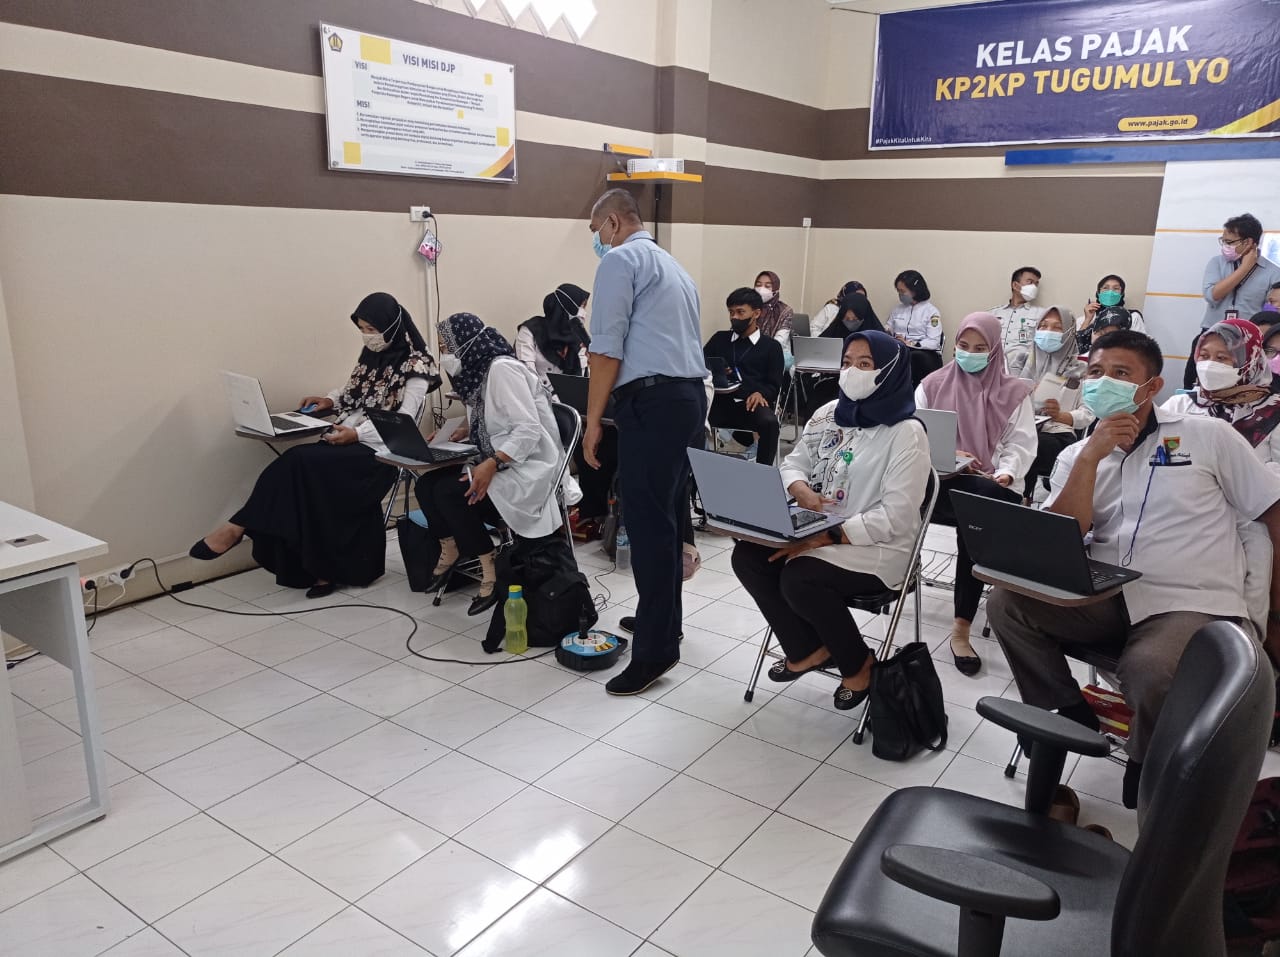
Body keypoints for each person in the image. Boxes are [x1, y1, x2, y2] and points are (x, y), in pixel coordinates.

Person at [988, 329, 1280, 808]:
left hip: (1188, 599)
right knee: (1006, 604)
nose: (1104, 381)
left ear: (1152, 386)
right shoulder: (1076, 454)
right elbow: (1062, 534)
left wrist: (1275, 609)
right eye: (1096, 372)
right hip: (1106, 593)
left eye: (1121, 373)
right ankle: (1065, 710)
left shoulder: (1206, 437)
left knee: (1149, 668)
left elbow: (1271, 510)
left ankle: (1147, 759)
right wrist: (1090, 458)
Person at [731, 331, 930, 711]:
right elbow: (794, 462)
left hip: (877, 545)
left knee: (799, 576)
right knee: (749, 557)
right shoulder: (829, 414)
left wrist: (830, 536)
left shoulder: (907, 432)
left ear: (889, 372)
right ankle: (808, 648)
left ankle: (858, 665)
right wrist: (800, 488)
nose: (852, 372)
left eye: (865, 364)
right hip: (815, 526)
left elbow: (898, 515)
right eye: (847, 362)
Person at [191, 293, 437, 597]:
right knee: (300, 473)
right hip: (346, 438)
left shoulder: (416, 365)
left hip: (380, 452)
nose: (367, 336)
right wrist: (329, 401)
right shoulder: (373, 354)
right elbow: (352, 392)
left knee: (298, 462)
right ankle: (317, 569)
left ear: (391, 326)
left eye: (372, 329)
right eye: (362, 329)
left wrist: (357, 435)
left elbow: (404, 419)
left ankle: (238, 527)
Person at [583, 189, 707, 695]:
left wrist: (593, 420)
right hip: (687, 401)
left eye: (597, 231)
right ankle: (663, 623)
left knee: (649, 526)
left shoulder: (619, 261)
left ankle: (655, 651)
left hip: (653, 404)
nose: (598, 241)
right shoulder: (674, 267)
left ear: (613, 223)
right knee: (669, 519)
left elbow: (605, 349)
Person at [417, 313, 565, 617]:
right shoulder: (479, 373)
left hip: (528, 466)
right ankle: (451, 548)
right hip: (499, 459)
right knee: (426, 485)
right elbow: (496, 420)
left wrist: (493, 463)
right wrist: (463, 431)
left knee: (450, 492)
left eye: (447, 347)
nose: (444, 355)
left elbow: (528, 430)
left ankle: (489, 568)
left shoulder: (502, 370)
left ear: (466, 343)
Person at [916, 312, 1036, 675]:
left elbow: (1021, 445)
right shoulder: (932, 385)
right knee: (973, 505)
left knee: (979, 507)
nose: (969, 353)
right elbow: (913, 436)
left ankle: (961, 627)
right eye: (963, 346)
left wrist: (1004, 472)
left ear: (995, 349)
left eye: (980, 347)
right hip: (938, 482)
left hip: (991, 485)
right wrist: (951, 458)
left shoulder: (1014, 392)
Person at [1007, 305, 1094, 502]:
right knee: (1011, 441)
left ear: (1069, 332)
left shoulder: (1081, 370)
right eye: (1043, 326)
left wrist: (1061, 415)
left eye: (1057, 327)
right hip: (1019, 427)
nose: (1048, 332)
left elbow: (1088, 413)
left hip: (1057, 434)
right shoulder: (1019, 362)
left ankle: (1020, 499)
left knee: (1031, 444)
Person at [1187, 213, 1280, 388]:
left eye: (1229, 242)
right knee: (1195, 385)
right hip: (1211, 335)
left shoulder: (1273, 272)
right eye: (1223, 241)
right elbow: (1213, 295)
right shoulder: (1217, 263)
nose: (1225, 246)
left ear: (1249, 242)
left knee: (1238, 387)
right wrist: (1245, 268)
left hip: (1246, 341)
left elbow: (1271, 313)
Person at [704, 288, 785, 465]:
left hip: (750, 403)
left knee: (769, 423)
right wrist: (716, 371)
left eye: (741, 312)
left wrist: (761, 393)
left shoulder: (771, 347)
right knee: (690, 411)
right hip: (720, 402)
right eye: (731, 312)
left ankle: (763, 472)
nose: (735, 317)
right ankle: (695, 470)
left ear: (756, 313)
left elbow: (774, 384)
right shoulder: (719, 339)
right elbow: (701, 364)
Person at [800, 295, 886, 418]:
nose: (850, 322)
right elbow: (818, 350)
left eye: (854, 319)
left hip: (866, 385)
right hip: (836, 381)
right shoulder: (835, 329)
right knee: (817, 397)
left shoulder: (877, 336)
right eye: (846, 319)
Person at [514, 283, 591, 387]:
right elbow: (526, 374)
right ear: (568, 307)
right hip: (535, 394)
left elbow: (582, 378)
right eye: (582, 306)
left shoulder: (578, 338)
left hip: (569, 395)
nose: (584, 312)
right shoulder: (530, 331)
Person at [886, 269, 944, 385]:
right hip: (898, 348)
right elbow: (889, 327)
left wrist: (910, 344)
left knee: (914, 357)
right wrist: (886, 331)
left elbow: (934, 342)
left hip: (921, 354)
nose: (900, 295)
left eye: (903, 291)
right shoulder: (897, 310)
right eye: (898, 291)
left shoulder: (931, 312)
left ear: (915, 290)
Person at [990, 266, 1047, 352]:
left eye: (1036, 284)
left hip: (1023, 360)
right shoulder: (993, 314)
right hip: (994, 360)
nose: (1034, 287)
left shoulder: (1042, 314)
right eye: (1030, 282)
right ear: (1015, 285)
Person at [1081, 274, 1145, 334]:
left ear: (1122, 294)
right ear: (1098, 293)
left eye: (1116, 288)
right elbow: (1078, 340)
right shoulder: (1086, 318)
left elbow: (1141, 341)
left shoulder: (1133, 317)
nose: (1110, 292)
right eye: (1105, 288)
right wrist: (1087, 319)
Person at [754, 270, 794, 346]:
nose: (761, 289)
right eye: (758, 285)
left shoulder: (785, 311)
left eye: (767, 286)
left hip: (774, 350)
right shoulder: (749, 307)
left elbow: (780, 341)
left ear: (775, 290)